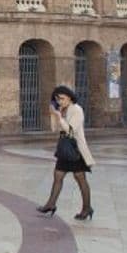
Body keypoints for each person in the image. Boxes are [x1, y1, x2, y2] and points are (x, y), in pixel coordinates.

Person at [36, 84, 95, 221]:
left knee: (80, 179)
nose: (59, 102)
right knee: (58, 176)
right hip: (64, 148)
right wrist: (54, 115)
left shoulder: (77, 110)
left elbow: (70, 130)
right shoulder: (62, 109)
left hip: (75, 149)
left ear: (69, 97)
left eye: (62, 99)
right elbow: (54, 129)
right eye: (57, 99)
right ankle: (51, 204)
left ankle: (87, 208)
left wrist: (59, 116)